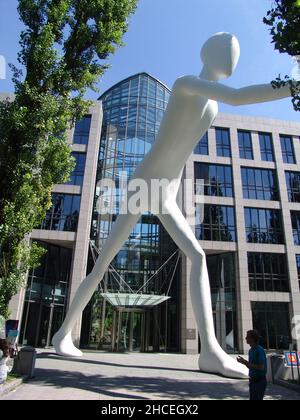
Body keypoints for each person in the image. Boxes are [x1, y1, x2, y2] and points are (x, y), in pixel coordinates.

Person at [53, 32, 291, 379]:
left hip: (165, 190)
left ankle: (209, 351)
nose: (232, 58)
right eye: (227, 50)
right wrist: (292, 86)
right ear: (207, 52)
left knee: (196, 255)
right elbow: (239, 97)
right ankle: (62, 334)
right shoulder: (185, 84)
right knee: (102, 265)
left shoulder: (211, 101)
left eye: (235, 53)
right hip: (145, 181)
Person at [237, 330, 268, 401]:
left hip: (259, 381)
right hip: (252, 380)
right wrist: (244, 362)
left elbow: (261, 367)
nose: (245, 338)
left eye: (247, 337)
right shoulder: (251, 350)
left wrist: (245, 362)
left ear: (253, 339)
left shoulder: (259, 350)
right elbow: (251, 366)